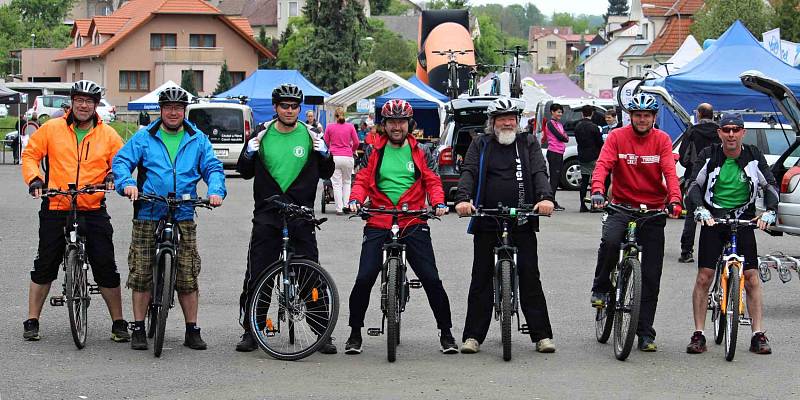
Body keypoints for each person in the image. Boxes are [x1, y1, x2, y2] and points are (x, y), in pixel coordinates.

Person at [113, 86, 226, 351]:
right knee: (141, 272)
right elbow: (121, 162)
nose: (173, 112)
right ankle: (139, 327)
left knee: (187, 274)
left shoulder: (197, 138)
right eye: (168, 108)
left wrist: (215, 190)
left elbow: (212, 167)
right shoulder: (145, 137)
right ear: (161, 110)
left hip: (184, 210)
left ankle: (192, 329)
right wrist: (128, 183)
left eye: (178, 108)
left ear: (184, 111)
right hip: (149, 209)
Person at [344, 99, 456, 355]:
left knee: (431, 278)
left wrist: (438, 203)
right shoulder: (373, 151)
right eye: (392, 122)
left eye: (401, 121)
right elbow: (361, 179)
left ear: (409, 124)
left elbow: (433, 181)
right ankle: (354, 333)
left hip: (413, 218)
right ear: (384, 125)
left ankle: (446, 332)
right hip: (379, 217)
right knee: (364, 278)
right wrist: (354, 200)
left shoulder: (422, 151)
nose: (396, 126)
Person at [21, 80, 128, 343]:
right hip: (57, 204)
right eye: (79, 100)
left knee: (105, 265)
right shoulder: (52, 128)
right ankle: (33, 319)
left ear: (95, 105)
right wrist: (35, 179)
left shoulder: (108, 135)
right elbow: (31, 155)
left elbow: (123, 160)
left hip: (92, 206)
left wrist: (114, 174)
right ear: (71, 102)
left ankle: (118, 322)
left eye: (89, 101)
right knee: (44, 263)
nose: (83, 105)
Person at [234, 83, 335, 353]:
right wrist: (249, 151)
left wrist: (324, 152)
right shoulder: (262, 133)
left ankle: (321, 329)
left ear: (299, 109)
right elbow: (244, 171)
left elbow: (327, 170)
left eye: (294, 106)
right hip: (268, 212)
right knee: (259, 272)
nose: (290, 110)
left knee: (309, 273)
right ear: (276, 107)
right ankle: (252, 330)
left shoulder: (311, 133)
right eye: (284, 106)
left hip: (300, 213)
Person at [454, 97, 556, 354]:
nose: (508, 123)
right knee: (480, 277)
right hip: (486, 217)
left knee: (531, 275)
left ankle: (541, 336)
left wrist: (545, 198)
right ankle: (473, 337)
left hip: (522, 216)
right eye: (502, 119)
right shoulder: (481, 143)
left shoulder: (528, 142)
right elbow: (468, 171)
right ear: (492, 122)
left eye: (512, 118)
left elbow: (538, 172)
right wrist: (463, 199)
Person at [589, 93, 683, 352]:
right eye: (637, 115)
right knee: (609, 241)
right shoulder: (618, 137)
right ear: (630, 116)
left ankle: (644, 333)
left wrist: (675, 199)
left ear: (654, 118)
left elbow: (669, 173)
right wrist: (597, 189)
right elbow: (603, 165)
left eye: (647, 116)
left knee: (651, 275)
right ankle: (601, 288)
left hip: (653, 210)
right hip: (621, 206)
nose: (642, 120)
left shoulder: (662, 140)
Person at [684, 112, 778, 355]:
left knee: (752, 277)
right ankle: (699, 333)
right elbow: (693, 185)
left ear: (743, 133)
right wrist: (700, 210)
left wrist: (770, 211)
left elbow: (770, 185)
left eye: (736, 129)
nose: (731, 134)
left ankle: (758, 334)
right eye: (727, 130)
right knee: (704, 276)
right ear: (720, 133)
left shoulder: (753, 156)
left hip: (743, 219)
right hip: (714, 219)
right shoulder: (709, 155)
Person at [677, 103, 720, 263]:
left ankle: (686, 252)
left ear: (699, 114)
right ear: (712, 114)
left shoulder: (692, 131)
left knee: (691, 215)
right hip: (717, 178)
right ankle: (714, 252)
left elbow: (683, 157)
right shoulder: (720, 132)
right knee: (716, 215)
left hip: (694, 178)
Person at [324, 106, 359, 215]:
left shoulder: (329, 127)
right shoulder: (350, 127)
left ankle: (339, 208)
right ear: (345, 115)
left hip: (334, 157)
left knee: (336, 184)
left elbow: (325, 142)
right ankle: (346, 205)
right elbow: (356, 142)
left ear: (335, 116)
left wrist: (330, 149)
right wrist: (351, 150)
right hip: (348, 157)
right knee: (347, 182)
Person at [574, 105, 604, 213]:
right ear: (592, 114)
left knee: (585, 181)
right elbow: (600, 143)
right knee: (595, 180)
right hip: (594, 156)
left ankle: (582, 204)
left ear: (582, 113)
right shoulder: (594, 127)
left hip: (582, 155)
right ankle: (594, 205)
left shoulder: (577, 126)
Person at [543, 103, 567, 211]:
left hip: (560, 152)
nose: (560, 114)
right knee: (554, 178)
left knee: (556, 179)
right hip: (554, 152)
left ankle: (552, 199)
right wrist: (563, 137)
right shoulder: (550, 123)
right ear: (552, 112)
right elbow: (561, 136)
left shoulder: (560, 124)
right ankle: (550, 200)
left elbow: (565, 137)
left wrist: (564, 137)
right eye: (558, 112)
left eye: (561, 112)